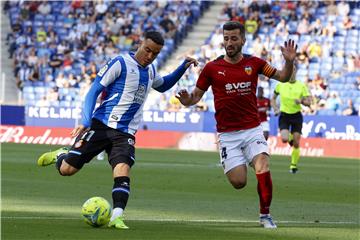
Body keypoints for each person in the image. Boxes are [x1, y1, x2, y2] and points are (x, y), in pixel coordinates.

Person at [37, 31, 198, 229]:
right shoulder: (120, 63)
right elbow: (94, 90)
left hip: (125, 133)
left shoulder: (151, 70)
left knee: (122, 168)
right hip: (102, 125)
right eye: (147, 50)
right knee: (67, 170)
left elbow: (163, 86)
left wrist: (183, 67)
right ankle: (62, 154)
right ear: (140, 44)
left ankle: (117, 216)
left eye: (154, 54)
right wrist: (86, 120)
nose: (150, 56)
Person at [176, 21, 297, 229]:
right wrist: (186, 99)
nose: (229, 42)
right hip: (227, 135)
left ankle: (265, 215)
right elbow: (195, 98)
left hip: (252, 129)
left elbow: (284, 77)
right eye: (226, 38)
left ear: (243, 40)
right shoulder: (212, 68)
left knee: (263, 165)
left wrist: (289, 62)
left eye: (233, 38)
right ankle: (243, 164)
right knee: (239, 182)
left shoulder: (256, 63)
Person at [271, 66, 311, 174]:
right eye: (290, 70)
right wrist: (275, 108)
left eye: (293, 70)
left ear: (296, 71)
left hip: (296, 116)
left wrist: (302, 101)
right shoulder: (280, 84)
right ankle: (290, 138)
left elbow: (309, 102)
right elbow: (273, 98)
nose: (292, 72)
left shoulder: (301, 86)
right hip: (284, 115)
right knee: (284, 139)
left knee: (296, 143)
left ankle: (293, 166)